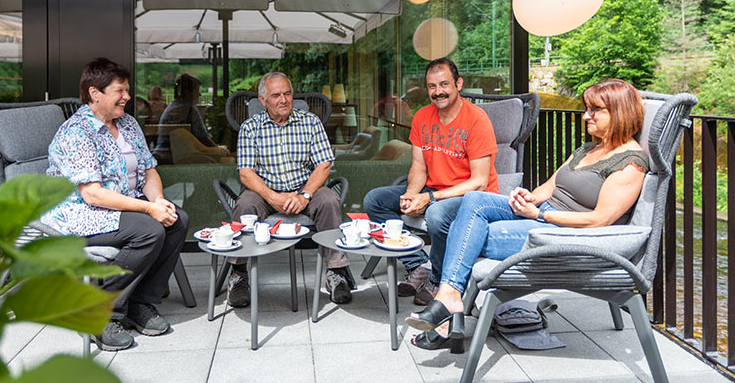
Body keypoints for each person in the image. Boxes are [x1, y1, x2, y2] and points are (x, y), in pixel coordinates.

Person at [405, 78, 649, 353]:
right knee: (474, 201)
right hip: (540, 215)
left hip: (562, 233)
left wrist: (540, 216)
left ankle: (448, 306)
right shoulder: (588, 150)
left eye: (595, 110)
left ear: (619, 113)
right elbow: (550, 186)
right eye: (587, 108)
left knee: (468, 234)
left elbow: (599, 220)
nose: (586, 116)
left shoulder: (630, 162)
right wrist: (528, 198)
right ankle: (450, 299)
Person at [42, 58, 189, 351]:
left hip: (120, 207)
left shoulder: (129, 124)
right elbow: (92, 195)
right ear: (95, 93)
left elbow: (149, 170)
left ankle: (141, 303)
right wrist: (148, 209)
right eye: (120, 90)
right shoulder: (76, 132)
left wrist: (158, 201)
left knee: (177, 219)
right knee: (149, 230)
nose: (128, 97)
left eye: (127, 90)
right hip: (80, 214)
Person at [363, 58, 500, 306]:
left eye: (444, 84)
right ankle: (418, 265)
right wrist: (411, 195)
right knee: (374, 200)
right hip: (433, 189)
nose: (438, 92)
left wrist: (429, 199)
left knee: (436, 215)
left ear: (458, 84)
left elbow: (479, 182)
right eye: (431, 86)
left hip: (472, 197)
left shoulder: (477, 120)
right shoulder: (422, 117)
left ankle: (438, 278)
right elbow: (418, 166)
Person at [227, 71, 353, 307]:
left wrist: (305, 195)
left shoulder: (310, 121)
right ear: (263, 100)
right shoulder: (250, 127)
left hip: (305, 187)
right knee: (245, 204)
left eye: (287, 93)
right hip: (265, 190)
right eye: (276, 95)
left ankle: (337, 272)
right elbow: (246, 172)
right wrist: (272, 197)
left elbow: (324, 165)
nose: (283, 100)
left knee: (329, 201)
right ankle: (239, 274)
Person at [154, 73, 226, 163]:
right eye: (197, 91)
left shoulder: (173, 106)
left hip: (161, 155)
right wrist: (220, 150)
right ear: (188, 93)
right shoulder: (189, 110)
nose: (199, 94)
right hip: (174, 157)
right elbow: (204, 139)